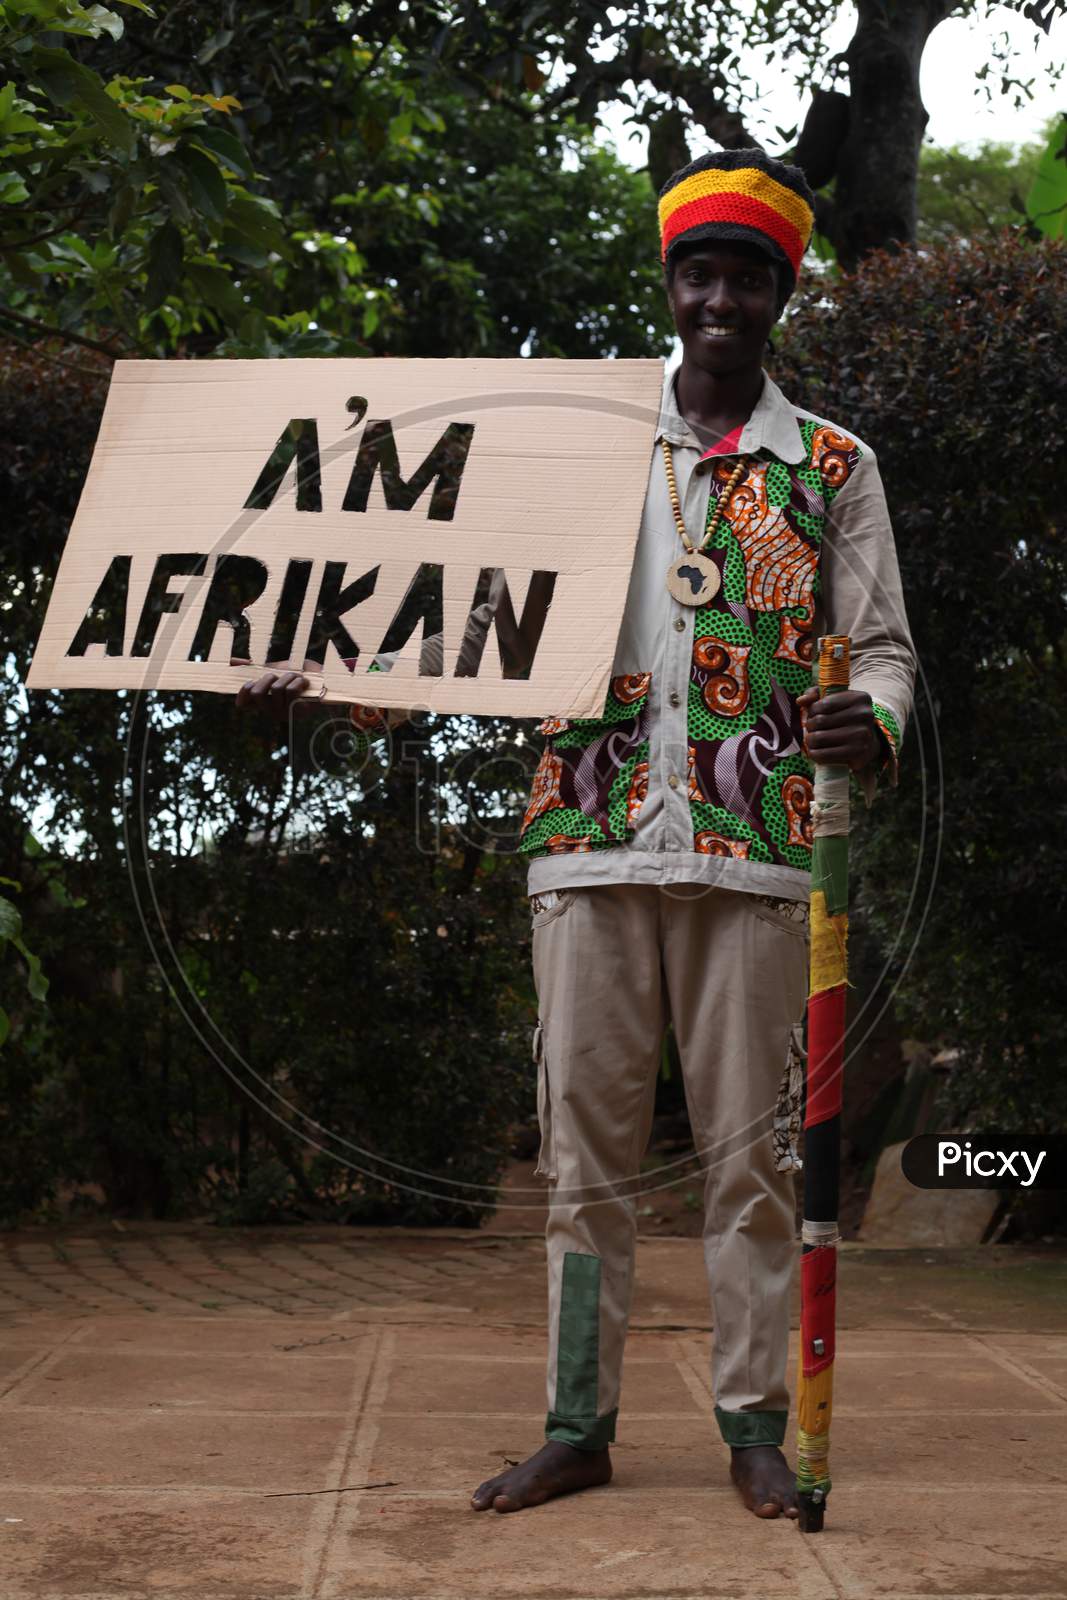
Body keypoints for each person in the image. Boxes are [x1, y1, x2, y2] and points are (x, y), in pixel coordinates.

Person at [237, 147, 916, 1522]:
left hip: (760, 847)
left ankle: (750, 1425)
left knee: (753, 1160)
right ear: (669, 286)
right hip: (588, 840)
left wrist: (877, 723)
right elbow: (456, 628)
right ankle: (576, 1423)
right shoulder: (571, 445)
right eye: (699, 273)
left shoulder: (834, 465)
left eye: (748, 277)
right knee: (580, 1163)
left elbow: (886, 650)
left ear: (781, 296)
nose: (720, 297)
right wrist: (323, 673)